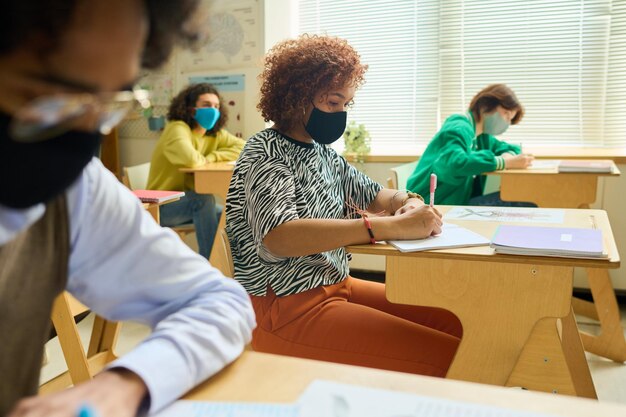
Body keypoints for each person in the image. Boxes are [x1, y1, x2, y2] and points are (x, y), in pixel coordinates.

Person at [0, 1, 255, 417]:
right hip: (167, 204)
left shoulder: (74, 189)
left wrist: (126, 384)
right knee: (206, 204)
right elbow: (192, 159)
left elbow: (217, 302)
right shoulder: (177, 130)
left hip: (171, 206)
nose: (80, 136)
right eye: (44, 97)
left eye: (107, 101)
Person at [226, 34, 462, 378]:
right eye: (333, 103)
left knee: (460, 322)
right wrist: (385, 227)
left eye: (345, 105)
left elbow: (374, 194)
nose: (340, 114)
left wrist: (407, 201)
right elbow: (279, 237)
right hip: (286, 308)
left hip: (336, 285)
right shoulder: (265, 152)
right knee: (459, 356)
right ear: (296, 98)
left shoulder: (323, 155)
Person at [147, 83, 245, 258]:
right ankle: (210, 263)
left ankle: (230, 265)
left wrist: (213, 156)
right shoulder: (177, 128)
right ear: (191, 109)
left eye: (216, 106)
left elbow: (245, 147)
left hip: (186, 204)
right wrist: (211, 157)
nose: (213, 110)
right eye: (206, 105)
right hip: (160, 207)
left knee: (229, 213)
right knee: (203, 199)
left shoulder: (213, 134)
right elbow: (191, 159)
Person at [406, 84, 535, 206]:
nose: (507, 123)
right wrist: (505, 163)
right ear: (485, 106)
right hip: (431, 204)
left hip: (458, 202)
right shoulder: (459, 126)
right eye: (506, 114)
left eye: (510, 120)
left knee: (522, 196)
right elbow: (455, 162)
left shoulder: (482, 137)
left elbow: (512, 148)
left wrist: (507, 156)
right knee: (526, 201)